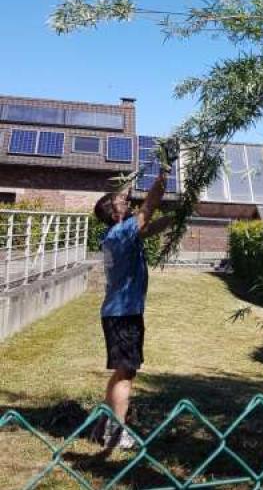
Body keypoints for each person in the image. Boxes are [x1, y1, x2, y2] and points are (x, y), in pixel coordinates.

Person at [90, 152, 174, 449]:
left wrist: (176, 217)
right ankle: (116, 434)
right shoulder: (121, 232)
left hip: (119, 313)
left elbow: (149, 228)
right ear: (114, 214)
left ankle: (104, 425)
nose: (126, 201)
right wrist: (164, 172)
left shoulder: (117, 234)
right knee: (126, 374)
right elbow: (148, 208)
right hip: (124, 314)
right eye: (120, 202)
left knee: (121, 372)